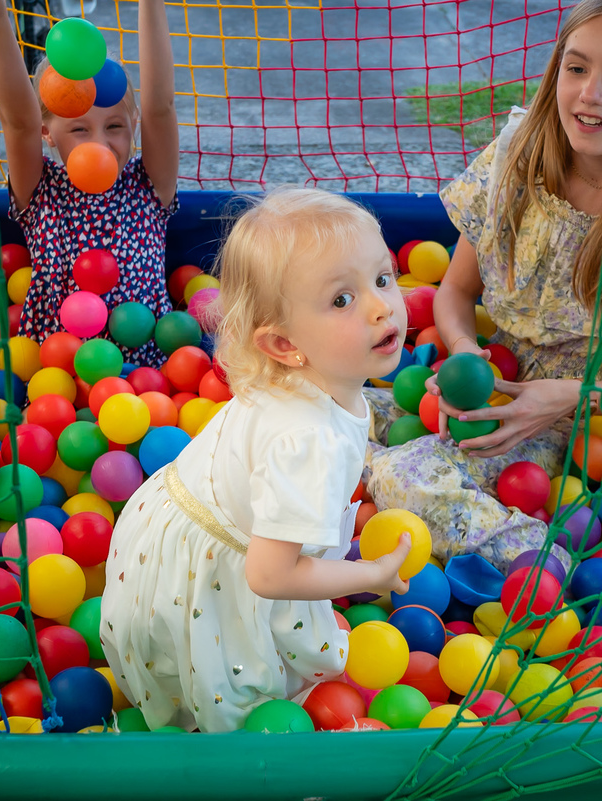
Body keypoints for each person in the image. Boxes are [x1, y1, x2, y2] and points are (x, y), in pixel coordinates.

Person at [364, 0, 602, 572]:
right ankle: (356, 469)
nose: (592, 93)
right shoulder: (518, 155)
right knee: (316, 407)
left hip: (569, 421)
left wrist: (567, 398)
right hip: (490, 383)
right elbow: (455, 293)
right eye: (577, 67)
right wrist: (466, 358)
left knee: (401, 475)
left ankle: (539, 562)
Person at [100, 188, 415, 732]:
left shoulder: (307, 378)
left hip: (170, 542)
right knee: (258, 722)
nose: (381, 305)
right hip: (199, 592)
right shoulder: (307, 441)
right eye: (342, 299)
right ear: (283, 344)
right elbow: (269, 575)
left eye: (383, 278)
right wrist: (367, 572)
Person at [0, 0, 179, 366]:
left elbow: (160, 106)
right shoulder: (41, 191)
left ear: (134, 123)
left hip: (147, 381)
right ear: (48, 133)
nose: (100, 143)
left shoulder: (148, 186)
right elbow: (17, 121)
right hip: (56, 381)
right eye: (79, 129)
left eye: (115, 126)